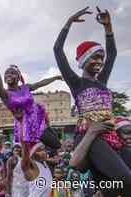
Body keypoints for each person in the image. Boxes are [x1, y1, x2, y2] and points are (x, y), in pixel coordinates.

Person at [54, 6, 131, 187]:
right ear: (83, 61)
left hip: (110, 135)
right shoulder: (77, 83)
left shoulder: (102, 81)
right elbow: (57, 50)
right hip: (90, 136)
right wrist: (68, 23)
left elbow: (112, 55)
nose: (99, 62)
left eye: (100, 58)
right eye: (94, 57)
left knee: (111, 185)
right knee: (126, 180)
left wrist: (108, 27)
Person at [0, 48, 61, 149]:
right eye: (7, 73)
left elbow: (40, 83)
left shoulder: (25, 88)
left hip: (39, 121)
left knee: (56, 145)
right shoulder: (5, 94)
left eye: (12, 73)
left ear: (18, 77)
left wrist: (55, 78)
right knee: (32, 155)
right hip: (26, 127)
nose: (9, 74)